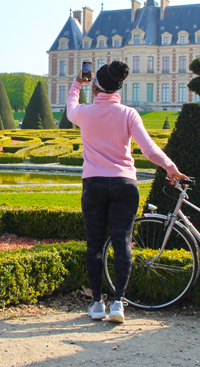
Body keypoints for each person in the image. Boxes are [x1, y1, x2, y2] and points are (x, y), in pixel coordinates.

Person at [67, 60, 186, 323]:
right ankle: (119, 303)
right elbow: (149, 149)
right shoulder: (129, 114)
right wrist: (170, 167)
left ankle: (97, 304)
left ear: (95, 86)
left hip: (94, 184)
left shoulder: (85, 113)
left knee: (94, 245)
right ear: (119, 88)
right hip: (124, 184)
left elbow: (70, 109)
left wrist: (77, 83)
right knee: (122, 243)